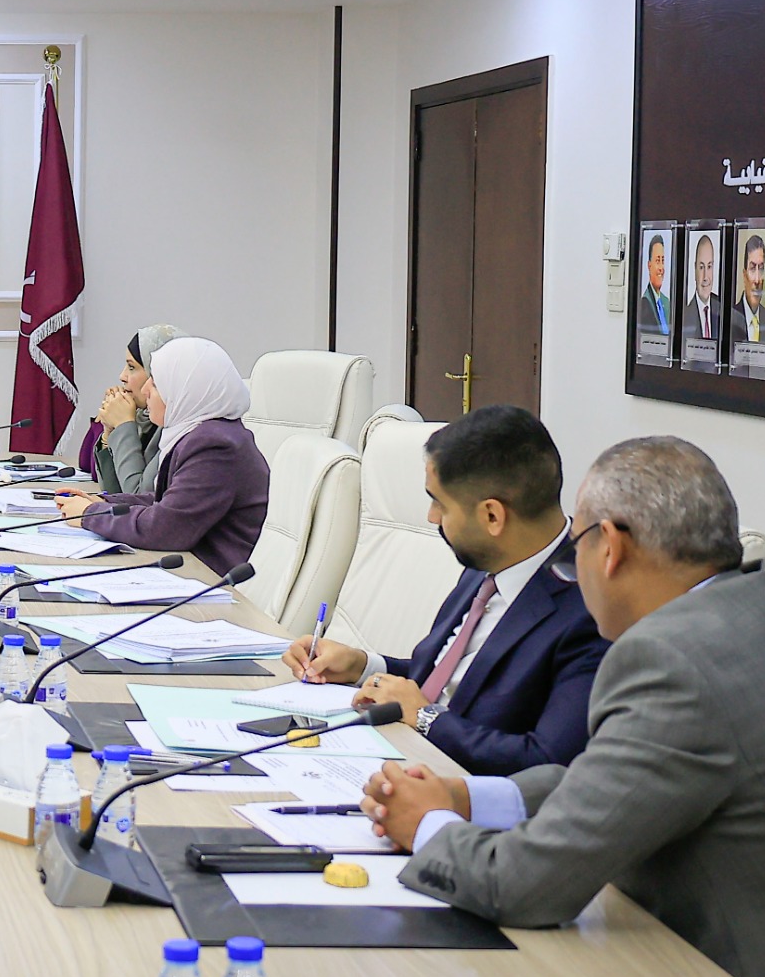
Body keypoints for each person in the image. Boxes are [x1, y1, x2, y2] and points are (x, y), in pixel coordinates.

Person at [359, 437, 765, 977]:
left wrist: (427, 826)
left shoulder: (673, 663)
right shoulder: (752, 617)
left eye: (572, 551)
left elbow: (521, 887)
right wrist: (467, 796)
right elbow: (611, 782)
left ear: (611, 548)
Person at [281, 406, 604, 775]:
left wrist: (425, 717)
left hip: (458, 790)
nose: (431, 517)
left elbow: (546, 763)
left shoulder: (591, 610)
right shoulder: (489, 562)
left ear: (492, 516)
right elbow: (451, 679)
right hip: (396, 757)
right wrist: (363, 665)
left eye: (439, 503)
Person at [52, 337, 268, 574]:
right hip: (188, 568)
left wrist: (89, 514)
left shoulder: (215, 446)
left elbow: (166, 528)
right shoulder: (200, 434)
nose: (145, 390)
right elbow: (164, 501)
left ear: (185, 391)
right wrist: (105, 503)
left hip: (208, 579)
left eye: (155, 384)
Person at [92, 325, 184, 495]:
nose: (122, 376)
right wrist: (109, 432)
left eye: (132, 367)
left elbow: (138, 496)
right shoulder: (145, 417)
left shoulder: (178, 425)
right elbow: (114, 492)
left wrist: (124, 426)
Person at [734, 233, 765, 345]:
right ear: (744, 274)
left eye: (761, 269)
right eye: (752, 268)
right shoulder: (731, 319)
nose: (757, 279)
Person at [682, 234, 721, 342]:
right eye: (701, 267)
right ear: (695, 269)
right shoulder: (685, 316)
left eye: (709, 267)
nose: (705, 277)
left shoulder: (722, 309)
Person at [637, 235, 671, 336]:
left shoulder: (666, 302)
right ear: (649, 265)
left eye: (662, 261)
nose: (661, 267)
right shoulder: (644, 304)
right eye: (657, 261)